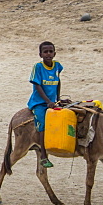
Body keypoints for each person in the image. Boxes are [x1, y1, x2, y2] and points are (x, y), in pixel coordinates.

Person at [28, 40, 63, 168]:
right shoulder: (38, 67)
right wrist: (47, 101)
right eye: (45, 52)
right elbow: (37, 85)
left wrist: (58, 99)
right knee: (43, 124)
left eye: (50, 51)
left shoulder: (57, 66)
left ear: (54, 53)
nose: (48, 54)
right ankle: (43, 155)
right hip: (39, 102)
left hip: (52, 102)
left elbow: (58, 81)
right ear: (40, 54)